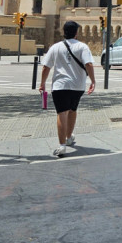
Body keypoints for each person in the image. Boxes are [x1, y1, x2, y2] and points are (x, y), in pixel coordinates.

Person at [40, 20, 95, 158]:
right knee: (72, 110)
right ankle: (69, 137)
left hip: (60, 86)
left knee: (61, 113)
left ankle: (62, 145)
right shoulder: (83, 47)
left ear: (64, 32)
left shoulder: (55, 47)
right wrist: (93, 81)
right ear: (76, 33)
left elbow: (46, 67)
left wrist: (42, 83)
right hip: (78, 86)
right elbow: (88, 64)